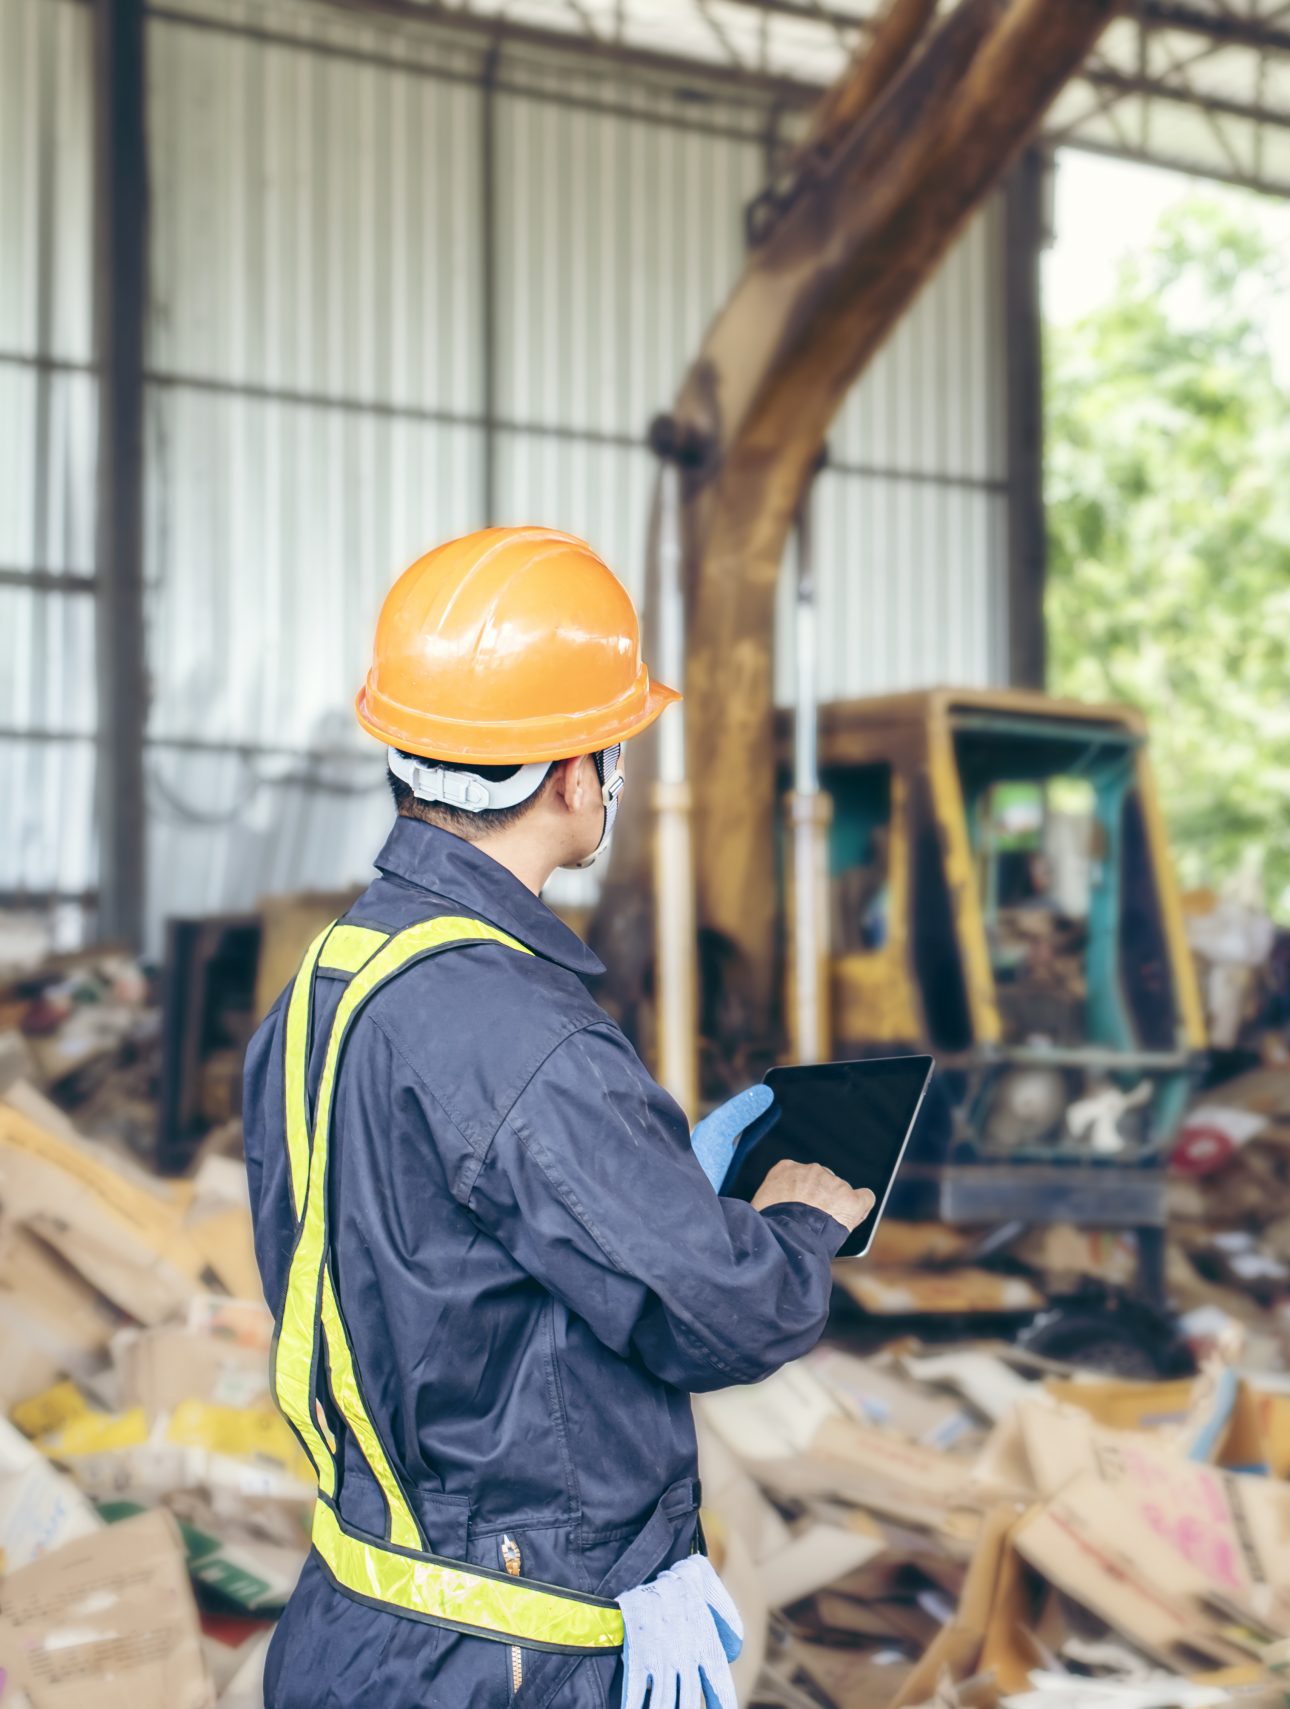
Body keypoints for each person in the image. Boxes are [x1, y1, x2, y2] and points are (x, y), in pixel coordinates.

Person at [242, 525, 871, 1708]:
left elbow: (428, 1251)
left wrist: (635, 1187)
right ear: (573, 777)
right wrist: (790, 1227)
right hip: (508, 1657)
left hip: (357, 1619)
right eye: (612, 750)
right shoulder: (529, 1033)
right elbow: (722, 1317)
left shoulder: (327, 978)